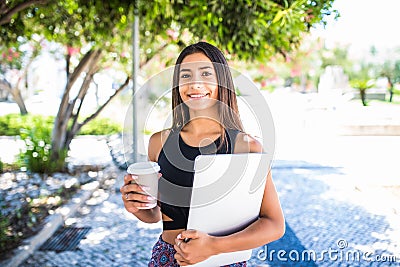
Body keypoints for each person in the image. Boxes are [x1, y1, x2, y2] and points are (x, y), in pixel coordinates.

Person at [120, 41, 285, 266]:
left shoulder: (247, 147)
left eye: (206, 74)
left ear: (221, 82)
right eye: (186, 76)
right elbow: (157, 215)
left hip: (222, 261)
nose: (195, 84)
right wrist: (137, 206)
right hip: (168, 259)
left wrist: (213, 247)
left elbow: (274, 224)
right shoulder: (159, 143)